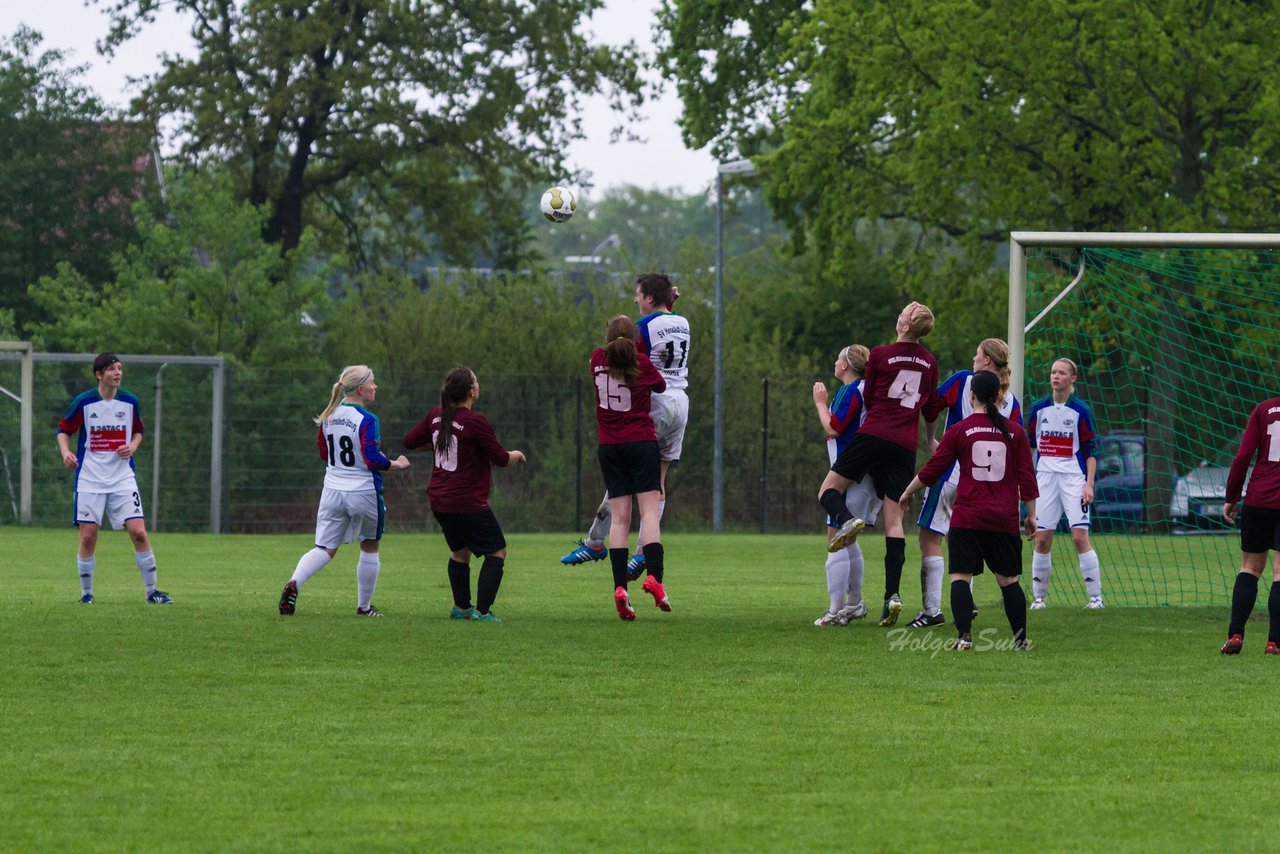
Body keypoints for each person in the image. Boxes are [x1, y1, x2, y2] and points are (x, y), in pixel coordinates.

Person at [818, 301, 946, 627]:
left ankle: (848, 521)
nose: (899, 314)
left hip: (874, 433)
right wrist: (930, 437)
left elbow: (872, 397)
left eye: (902, 312)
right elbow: (930, 409)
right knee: (895, 522)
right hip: (905, 444)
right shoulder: (929, 362)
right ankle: (892, 595)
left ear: (905, 325)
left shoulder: (880, 354)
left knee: (828, 490)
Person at [561, 273, 689, 579]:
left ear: (647, 298)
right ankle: (644, 550)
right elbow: (664, 319)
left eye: (638, 294)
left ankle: (596, 542)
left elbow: (628, 345)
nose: (635, 299)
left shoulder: (641, 327)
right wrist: (668, 300)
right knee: (655, 482)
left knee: (625, 480)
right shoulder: (683, 322)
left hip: (656, 403)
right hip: (681, 402)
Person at [898, 370, 1039, 650]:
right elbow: (1027, 477)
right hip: (1003, 518)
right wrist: (1032, 515)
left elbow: (933, 469)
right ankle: (1020, 641)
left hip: (967, 517)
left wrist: (907, 491)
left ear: (971, 395)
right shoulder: (1015, 432)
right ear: (998, 396)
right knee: (1009, 581)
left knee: (960, 577)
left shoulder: (960, 430)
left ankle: (964, 637)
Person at [279, 365, 410, 617]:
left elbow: (324, 454)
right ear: (360, 389)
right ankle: (363, 608)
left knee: (324, 548)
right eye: (372, 383)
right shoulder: (368, 419)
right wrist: (396, 464)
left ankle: (294, 581)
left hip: (332, 489)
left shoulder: (329, 415)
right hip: (363, 490)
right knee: (370, 546)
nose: (376, 387)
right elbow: (372, 459)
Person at [909, 338, 1022, 628]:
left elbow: (931, 405)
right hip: (991, 487)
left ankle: (932, 610)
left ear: (986, 361)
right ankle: (966, 603)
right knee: (974, 545)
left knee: (930, 538)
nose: (973, 358)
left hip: (953, 475)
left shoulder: (963, 382)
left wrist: (931, 436)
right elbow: (1018, 447)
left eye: (977, 354)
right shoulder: (1012, 402)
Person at [404, 366, 526, 622]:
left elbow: (409, 441)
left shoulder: (436, 416)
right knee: (497, 551)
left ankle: (461, 608)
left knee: (460, 552)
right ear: (471, 391)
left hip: (439, 499)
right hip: (466, 500)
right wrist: (517, 455)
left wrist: (439, 443)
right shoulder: (474, 421)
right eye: (476, 381)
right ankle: (482, 611)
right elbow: (500, 459)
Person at [56, 352, 172, 605]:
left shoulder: (130, 401)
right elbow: (63, 430)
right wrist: (66, 452)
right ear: (99, 374)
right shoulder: (84, 402)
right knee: (88, 536)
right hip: (89, 478)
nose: (117, 373)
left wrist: (133, 445)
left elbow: (139, 431)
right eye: (111, 369)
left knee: (139, 532)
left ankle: (152, 592)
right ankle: (87, 594)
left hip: (122, 478)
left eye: (119, 368)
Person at [592, 314, 670, 620]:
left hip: (609, 448)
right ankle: (656, 579)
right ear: (635, 339)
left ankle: (620, 588)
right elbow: (661, 387)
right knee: (649, 513)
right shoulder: (641, 364)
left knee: (620, 520)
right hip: (641, 443)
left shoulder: (597, 358)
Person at [1025, 357, 1104, 609]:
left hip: (1073, 480)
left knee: (1079, 537)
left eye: (1061, 372)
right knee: (1042, 539)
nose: (1055, 376)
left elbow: (1091, 451)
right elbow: (1029, 447)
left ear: (1073, 378)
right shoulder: (1038, 409)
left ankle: (1095, 598)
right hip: (1045, 480)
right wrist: (1028, 481)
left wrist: (1089, 484)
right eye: (1052, 372)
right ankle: (1039, 599)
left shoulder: (1081, 410)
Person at [811, 344, 881, 626]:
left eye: (839, 358)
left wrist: (819, 403)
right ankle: (853, 605)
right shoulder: (867, 389)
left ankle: (836, 609)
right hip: (865, 472)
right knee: (848, 538)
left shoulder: (852, 390)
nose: (835, 362)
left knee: (836, 539)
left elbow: (834, 427)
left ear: (846, 367)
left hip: (850, 471)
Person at [1219, 394, 1280, 655]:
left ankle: (1235, 634)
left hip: (1258, 499)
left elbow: (1243, 455)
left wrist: (1232, 496)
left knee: (1249, 569)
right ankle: (1274, 642)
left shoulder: (1264, 409)